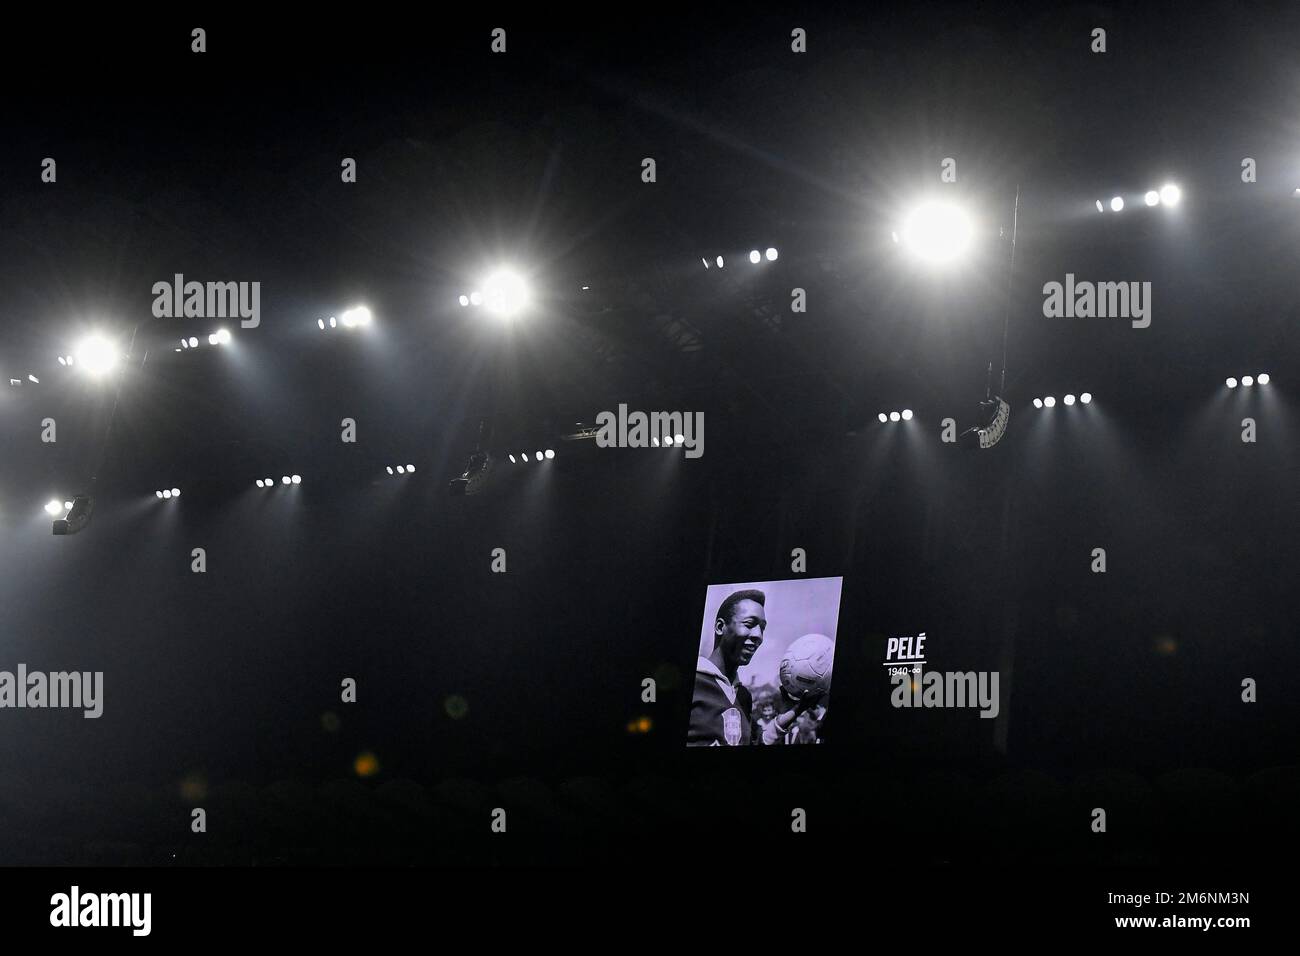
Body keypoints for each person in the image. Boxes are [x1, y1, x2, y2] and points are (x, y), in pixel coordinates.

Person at [687, 589, 766, 746]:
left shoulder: (744, 697)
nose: (759, 635)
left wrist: (793, 711)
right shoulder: (695, 683)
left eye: (762, 628)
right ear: (720, 627)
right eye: (749, 624)